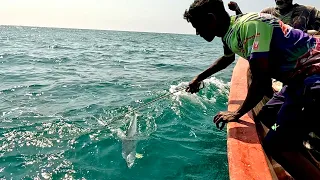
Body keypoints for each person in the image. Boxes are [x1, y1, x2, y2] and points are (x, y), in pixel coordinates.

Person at [183, 0, 320, 179]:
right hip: (296, 82)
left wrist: (236, 113)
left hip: (312, 77)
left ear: (211, 19)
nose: (197, 33)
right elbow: (227, 58)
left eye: (197, 26)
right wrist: (199, 78)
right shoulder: (229, 31)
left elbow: (261, 81)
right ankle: (310, 162)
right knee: (267, 115)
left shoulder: (248, 26)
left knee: (275, 145)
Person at [228, 0, 320, 34]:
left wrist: (304, 33)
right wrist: (237, 9)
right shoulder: (267, 13)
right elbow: (248, 26)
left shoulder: (308, 11)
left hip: (300, 58)